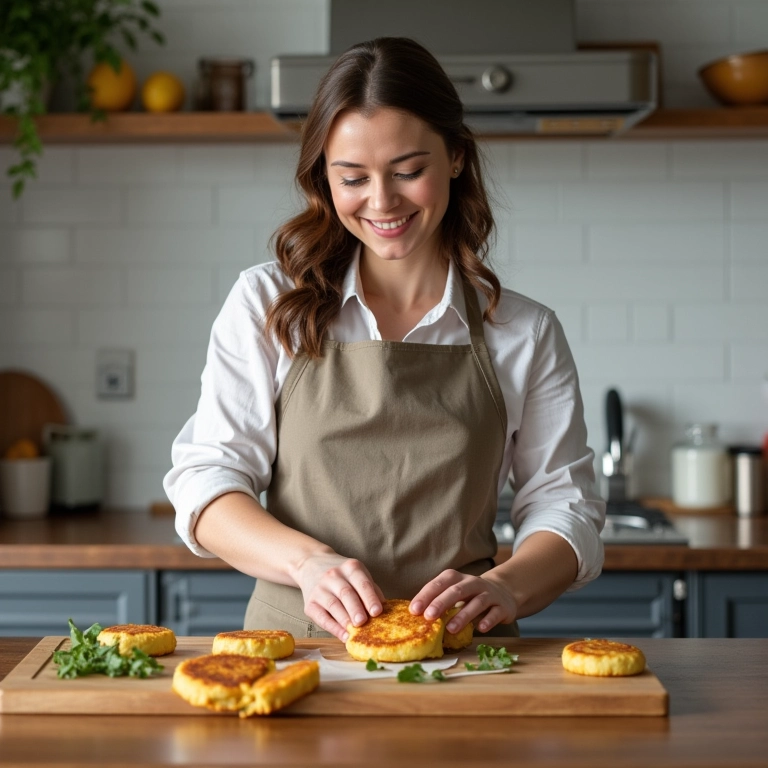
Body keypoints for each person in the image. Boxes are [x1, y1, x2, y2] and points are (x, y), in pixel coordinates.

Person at [163, 37, 605, 641]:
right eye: (353, 177)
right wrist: (305, 563)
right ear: (324, 177)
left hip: (467, 656)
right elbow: (207, 481)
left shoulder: (524, 332)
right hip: (297, 652)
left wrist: (507, 586)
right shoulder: (268, 304)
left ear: (455, 157)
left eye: (408, 171)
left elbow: (565, 504)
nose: (382, 201)